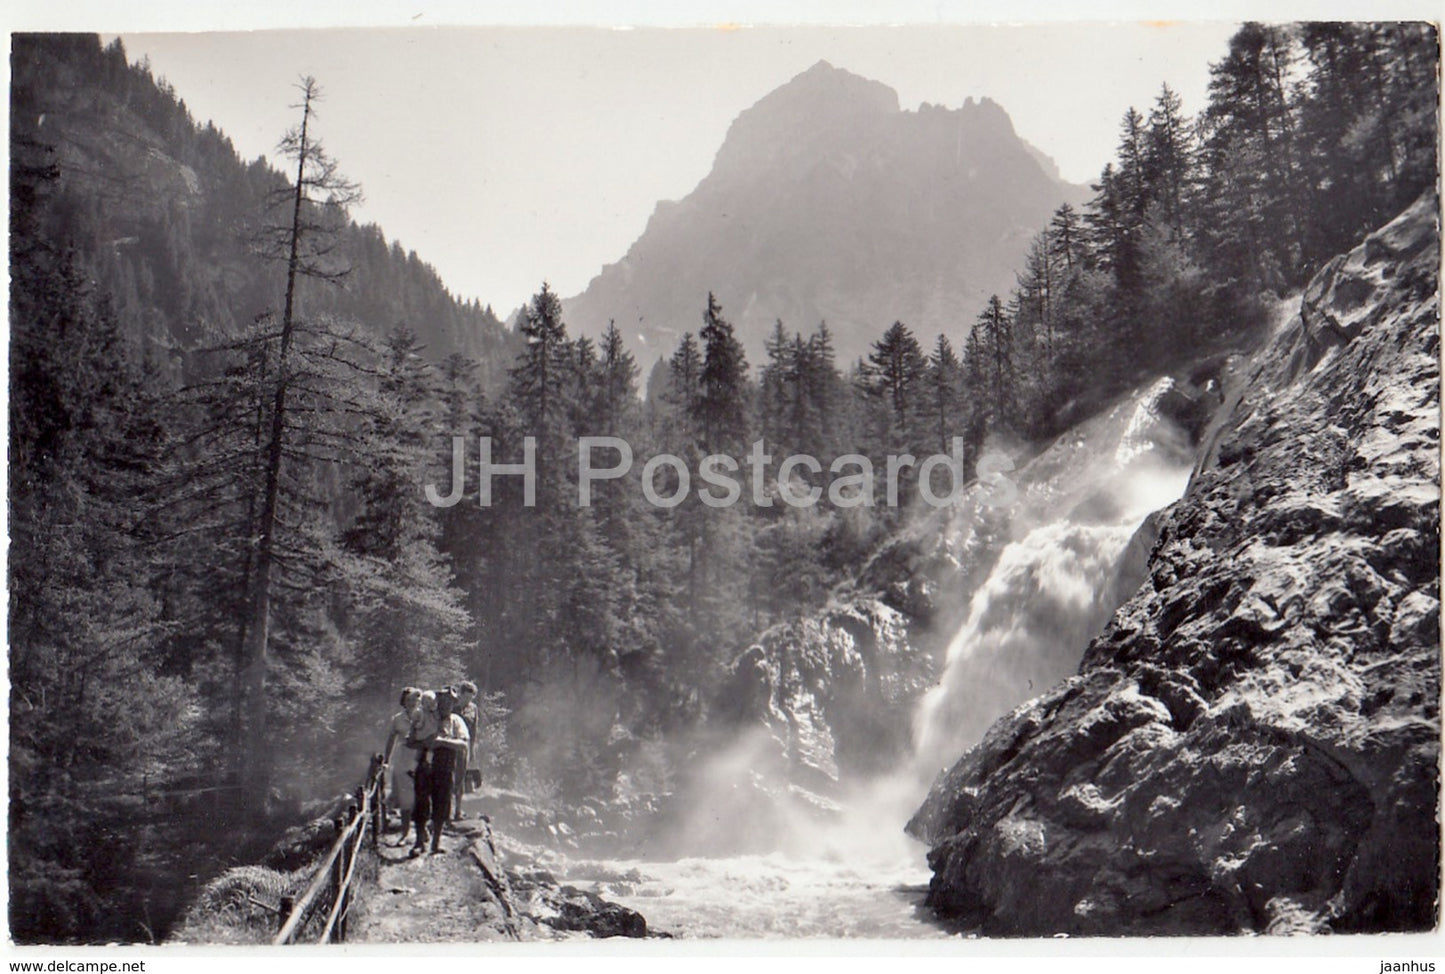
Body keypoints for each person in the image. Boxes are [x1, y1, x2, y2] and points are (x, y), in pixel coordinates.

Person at [425, 688, 470, 854]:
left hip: (445, 767)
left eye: (450, 702)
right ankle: (419, 840)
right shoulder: (428, 717)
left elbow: (463, 744)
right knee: (422, 802)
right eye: (443, 701)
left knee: (442, 805)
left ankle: (435, 842)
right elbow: (424, 741)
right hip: (424, 765)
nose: (446, 705)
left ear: (453, 704)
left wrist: (442, 742)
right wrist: (448, 741)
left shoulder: (456, 721)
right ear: (438, 702)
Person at [382, 687, 422, 845]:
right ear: (403, 702)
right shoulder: (397, 719)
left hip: (421, 759)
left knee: (421, 796)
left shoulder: (425, 717)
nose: (411, 703)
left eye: (414, 700)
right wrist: (387, 760)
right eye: (408, 701)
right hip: (403, 760)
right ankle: (405, 834)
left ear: (419, 701)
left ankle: (422, 831)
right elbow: (391, 740)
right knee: (406, 799)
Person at [406, 690, 440, 857]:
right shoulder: (419, 714)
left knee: (437, 800)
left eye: (431, 702)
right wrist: (422, 741)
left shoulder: (438, 715)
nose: (429, 705)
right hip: (424, 754)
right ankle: (420, 837)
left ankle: (433, 836)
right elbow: (410, 739)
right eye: (426, 702)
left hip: (439, 759)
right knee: (421, 798)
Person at [452, 680, 481, 821]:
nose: (468, 700)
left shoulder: (473, 708)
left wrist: (472, 749)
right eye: (466, 697)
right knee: (447, 777)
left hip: (465, 745)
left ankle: (457, 810)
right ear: (460, 694)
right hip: (451, 745)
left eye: (471, 698)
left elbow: (474, 729)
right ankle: (445, 809)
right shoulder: (452, 705)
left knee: (461, 778)